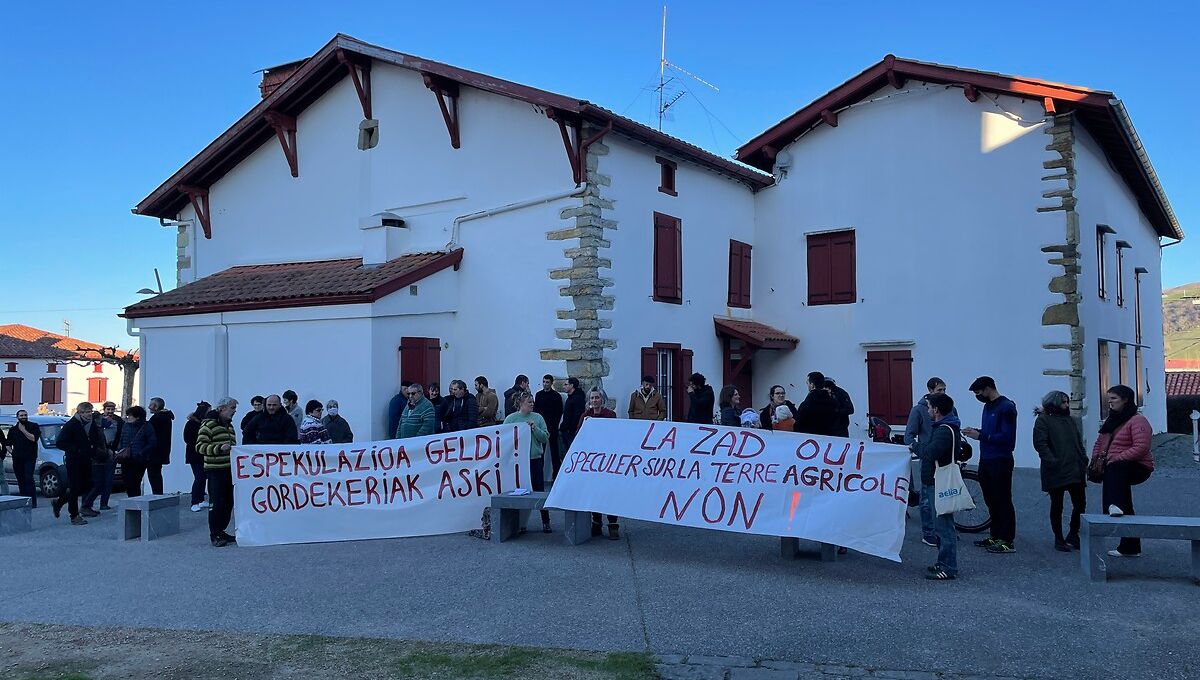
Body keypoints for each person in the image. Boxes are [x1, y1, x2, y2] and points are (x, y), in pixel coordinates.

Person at [1093, 385, 1154, 557]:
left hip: (1137, 466)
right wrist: (1095, 460)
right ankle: (1130, 547)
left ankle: (1113, 506)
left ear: (1125, 399)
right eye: (1109, 398)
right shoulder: (1111, 420)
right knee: (1126, 504)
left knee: (1115, 469)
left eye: (1113, 398)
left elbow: (1141, 447)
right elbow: (1100, 442)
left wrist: (1118, 458)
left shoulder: (1138, 421)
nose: (1109, 402)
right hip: (1116, 467)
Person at [963, 376, 1018, 554]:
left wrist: (981, 436)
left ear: (988, 388)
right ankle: (996, 535)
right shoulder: (988, 406)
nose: (978, 396)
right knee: (991, 499)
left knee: (1003, 499)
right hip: (986, 459)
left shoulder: (1006, 407)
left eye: (979, 392)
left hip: (1000, 460)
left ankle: (1007, 540)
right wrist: (977, 432)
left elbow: (1007, 438)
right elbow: (990, 432)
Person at [1032, 390, 1088, 552]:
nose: (1066, 405)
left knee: (1080, 504)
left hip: (1075, 468)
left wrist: (1083, 458)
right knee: (1057, 505)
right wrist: (1052, 461)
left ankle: (1073, 533)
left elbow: (1078, 440)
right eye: (1063, 402)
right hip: (1056, 469)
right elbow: (1040, 444)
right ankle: (1059, 538)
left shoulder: (1069, 420)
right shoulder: (1043, 420)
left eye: (1067, 402)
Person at [904, 378, 955, 548]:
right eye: (939, 390)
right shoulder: (918, 410)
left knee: (945, 498)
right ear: (930, 390)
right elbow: (909, 435)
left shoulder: (949, 408)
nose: (943, 393)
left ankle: (945, 531)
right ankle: (928, 533)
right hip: (928, 459)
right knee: (926, 500)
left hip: (945, 460)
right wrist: (918, 447)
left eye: (944, 390)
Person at [920, 392, 961, 581]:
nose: (927, 410)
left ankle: (948, 566)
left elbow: (931, 453)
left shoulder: (944, 430)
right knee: (942, 526)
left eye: (929, 407)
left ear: (936, 410)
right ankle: (944, 562)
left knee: (943, 527)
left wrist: (916, 447)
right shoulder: (945, 427)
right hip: (937, 479)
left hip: (939, 481)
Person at [504, 392, 552, 533]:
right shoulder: (511, 419)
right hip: (517, 461)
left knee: (539, 490)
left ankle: (546, 521)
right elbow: (504, 438)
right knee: (519, 491)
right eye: (529, 402)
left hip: (534, 459)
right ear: (520, 404)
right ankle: (519, 523)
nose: (532, 404)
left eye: (532, 402)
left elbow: (545, 438)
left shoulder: (537, 418)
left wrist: (534, 428)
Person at [577, 389, 620, 539]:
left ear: (602, 399)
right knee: (594, 492)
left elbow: (615, 435)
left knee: (609, 493)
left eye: (597, 398)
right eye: (592, 398)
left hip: (607, 460)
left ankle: (613, 525)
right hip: (592, 461)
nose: (594, 400)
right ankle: (596, 523)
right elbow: (579, 437)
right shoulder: (585, 416)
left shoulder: (610, 415)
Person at [53, 402, 104, 524]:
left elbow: (95, 438)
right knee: (75, 487)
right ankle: (74, 516)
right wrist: (76, 449)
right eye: (85, 412)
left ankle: (59, 502)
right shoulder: (72, 424)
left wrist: (94, 450)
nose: (88, 414)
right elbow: (60, 442)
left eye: (90, 412)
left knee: (89, 485)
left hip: (87, 459)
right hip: (74, 460)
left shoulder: (91, 424)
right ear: (79, 413)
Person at [197, 397, 238, 547]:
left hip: (229, 469)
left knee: (228, 502)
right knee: (217, 502)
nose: (234, 411)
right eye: (232, 408)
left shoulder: (229, 426)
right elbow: (200, 446)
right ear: (222, 408)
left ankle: (222, 530)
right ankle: (215, 534)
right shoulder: (209, 425)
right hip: (215, 470)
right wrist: (218, 448)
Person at [82, 401, 122, 513]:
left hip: (110, 452)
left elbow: (120, 435)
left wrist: (114, 449)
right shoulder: (96, 421)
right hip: (98, 455)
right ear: (104, 409)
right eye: (108, 409)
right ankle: (86, 505)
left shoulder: (118, 421)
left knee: (108, 481)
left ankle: (103, 503)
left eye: (112, 409)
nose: (110, 411)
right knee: (96, 482)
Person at [118, 406, 157, 498]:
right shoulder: (126, 425)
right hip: (126, 458)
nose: (128, 418)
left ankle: (136, 503)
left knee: (135, 482)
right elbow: (122, 438)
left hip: (139, 459)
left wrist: (141, 453)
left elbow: (152, 442)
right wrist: (120, 450)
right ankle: (131, 501)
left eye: (130, 416)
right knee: (127, 482)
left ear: (137, 416)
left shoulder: (146, 426)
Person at [184, 401, 212, 512]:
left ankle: (200, 499)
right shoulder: (192, 423)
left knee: (203, 477)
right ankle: (194, 501)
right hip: (195, 455)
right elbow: (187, 438)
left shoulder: (204, 423)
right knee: (199, 477)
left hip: (204, 454)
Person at [534, 374, 564, 476]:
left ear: (551, 383)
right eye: (544, 382)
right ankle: (539, 475)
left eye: (547, 382)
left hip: (552, 427)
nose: (545, 384)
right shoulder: (538, 395)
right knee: (540, 453)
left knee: (555, 453)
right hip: (541, 428)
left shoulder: (556, 396)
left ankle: (556, 475)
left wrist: (554, 426)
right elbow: (536, 411)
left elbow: (559, 412)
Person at [8, 410, 40, 508]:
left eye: (25, 415)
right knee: (20, 480)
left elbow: (33, 438)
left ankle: (32, 502)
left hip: (30, 457)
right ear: (17, 417)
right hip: (17, 458)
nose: (24, 417)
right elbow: (7, 443)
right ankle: (23, 502)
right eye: (21, 415)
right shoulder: (13, 430)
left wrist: (23, 430)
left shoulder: (34, 426)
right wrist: (12, 452)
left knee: (29, 478)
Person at [794, 372, 837, 436]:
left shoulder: (807, 404)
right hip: (829, 439)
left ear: (812, 385)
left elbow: (799, 425)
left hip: (810, 440)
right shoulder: (833, 402)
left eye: (807, 383)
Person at [147, 397, 173, 495]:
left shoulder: (157, 418)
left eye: (151, 404)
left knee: (154, 475)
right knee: (156, 474)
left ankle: (157, 495)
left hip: (155, 452)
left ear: (156, 406)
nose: (149, 407)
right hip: (161, 452)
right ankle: (158, 494)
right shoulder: (165, 417)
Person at [560, 377, 586, 450]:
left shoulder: (578, 399)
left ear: (571, 385)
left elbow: (577, 416)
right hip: (567, 431)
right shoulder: (570, 398)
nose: (563, 387)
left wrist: (570, 430)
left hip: (571, 432)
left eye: (566, 384)